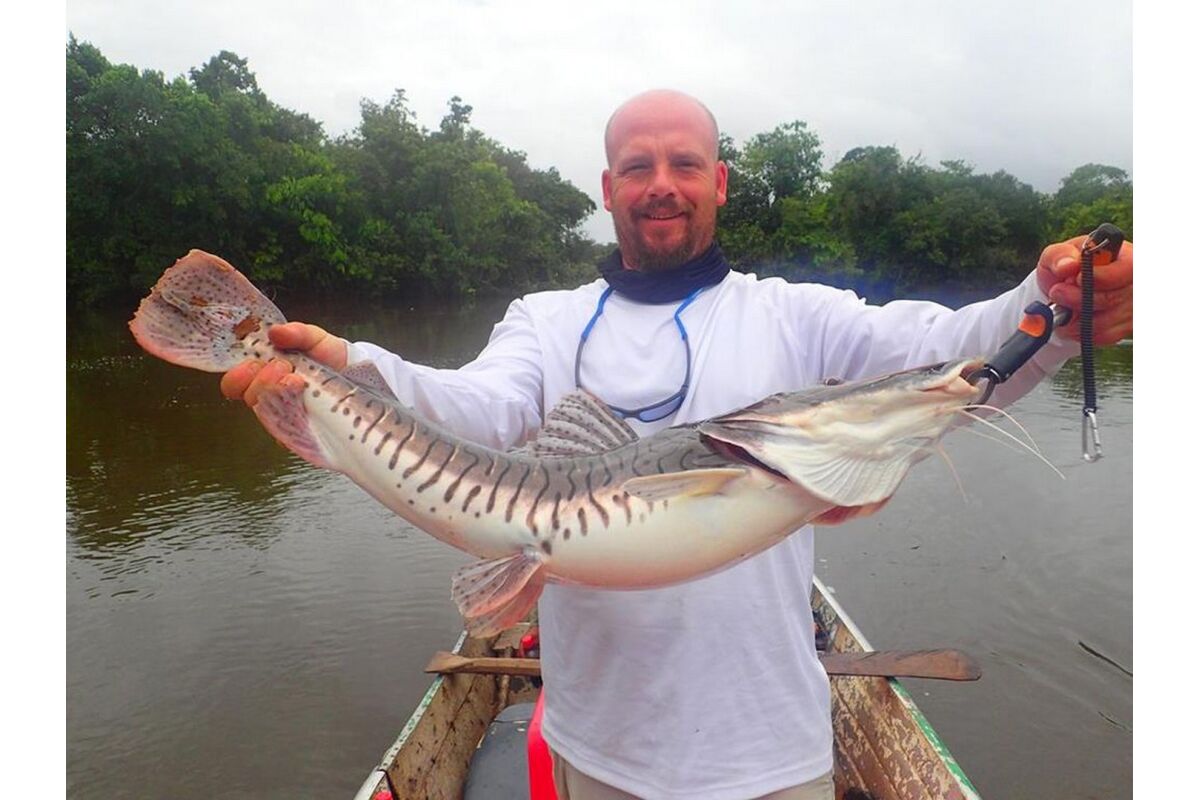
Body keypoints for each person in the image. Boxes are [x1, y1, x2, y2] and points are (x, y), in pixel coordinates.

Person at [221, 90, 1133, 800]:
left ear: (719, 181)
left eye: (685, 163)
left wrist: (1053, 309)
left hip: (771, 751)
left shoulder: (793, 315)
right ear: (608, 188)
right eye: (638, 165)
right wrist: (352, 369)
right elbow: (478, 409)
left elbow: (951, 352)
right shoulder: (546, 320)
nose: (662, 182)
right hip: (597, 748)